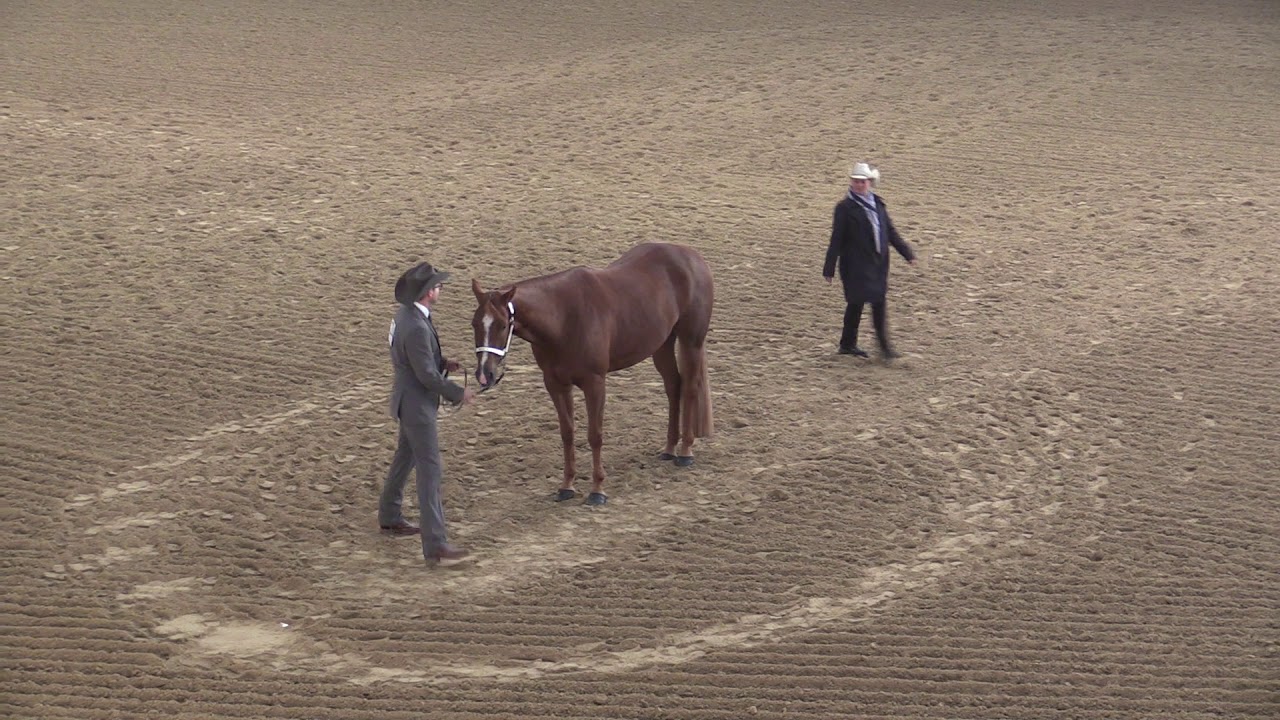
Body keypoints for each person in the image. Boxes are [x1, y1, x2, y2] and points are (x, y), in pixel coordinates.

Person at [378, 261, 477, 565]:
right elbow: (426, 378)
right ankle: (435, 545)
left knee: (404, 458)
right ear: (427, 292)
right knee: (430, 471)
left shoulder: (406, 316)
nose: (440, 289)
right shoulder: (418, 327)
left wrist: (442, 361)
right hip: (417, 407)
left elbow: (414, 359)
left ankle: (389, 514)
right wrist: (458, 392)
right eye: (436, 286)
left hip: (405, 401)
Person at [823, 161, 917, 361]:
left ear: (870, 182)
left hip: (877, 263)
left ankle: (879, 346)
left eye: (862, 181)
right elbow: (837, 238)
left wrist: (906, 253)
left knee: (877, 302)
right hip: (855, 264)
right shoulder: (844, 208)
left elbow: (890, 231)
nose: (859, 185)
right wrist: (829, 267)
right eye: (856, 181)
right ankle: (850, 344)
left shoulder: (878, 204)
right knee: (856, 304)